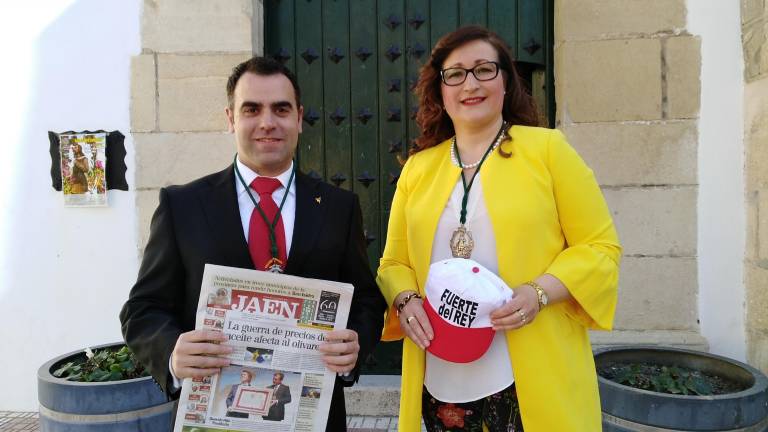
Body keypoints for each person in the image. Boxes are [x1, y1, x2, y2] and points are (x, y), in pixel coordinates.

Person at [120, 56, 386, 431]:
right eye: (251, 109)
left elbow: (367, 301)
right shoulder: (182, 206)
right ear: (230, 118)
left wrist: (354, 345)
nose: (267, 122)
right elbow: (142, 309)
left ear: (299, 118)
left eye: (281, 109)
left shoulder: (339, 207)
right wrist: (172, 353)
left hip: (313, 418)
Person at [376, 26, 621, 431]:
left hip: (530, 368)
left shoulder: (548, 151)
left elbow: (599, 247)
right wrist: (405, 299)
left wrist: (539, 291)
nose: (470, 83)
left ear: (506, 82)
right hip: (443, 374)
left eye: (484, 70)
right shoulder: (418, 170)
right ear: (440, 91)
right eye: (455, 74)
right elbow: (393, 262)